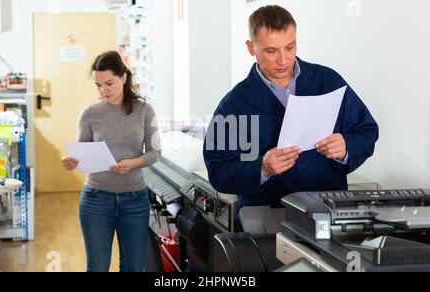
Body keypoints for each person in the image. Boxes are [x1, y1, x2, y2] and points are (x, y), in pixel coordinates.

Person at [203, 5, 379, 232]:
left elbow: (366, 130)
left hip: (328, 212)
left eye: (290, 47)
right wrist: (262, 168)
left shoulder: (328, 81)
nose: (283, 60)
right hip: (264, 219)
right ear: (251, 48)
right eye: (272, 51)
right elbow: (218, 171)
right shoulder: (233, 105)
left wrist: (346, 147)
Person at [61, 51, 161, 272]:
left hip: (135, 200)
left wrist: (132, 163)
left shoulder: (145, 110)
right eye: (98, 85)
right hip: (96, 200)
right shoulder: (89, 113)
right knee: (97, 267)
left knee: (133, 267)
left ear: (123, 77)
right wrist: (72, 161)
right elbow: (82, 152)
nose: (103, 91)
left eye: (109, 83)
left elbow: (155, 152)